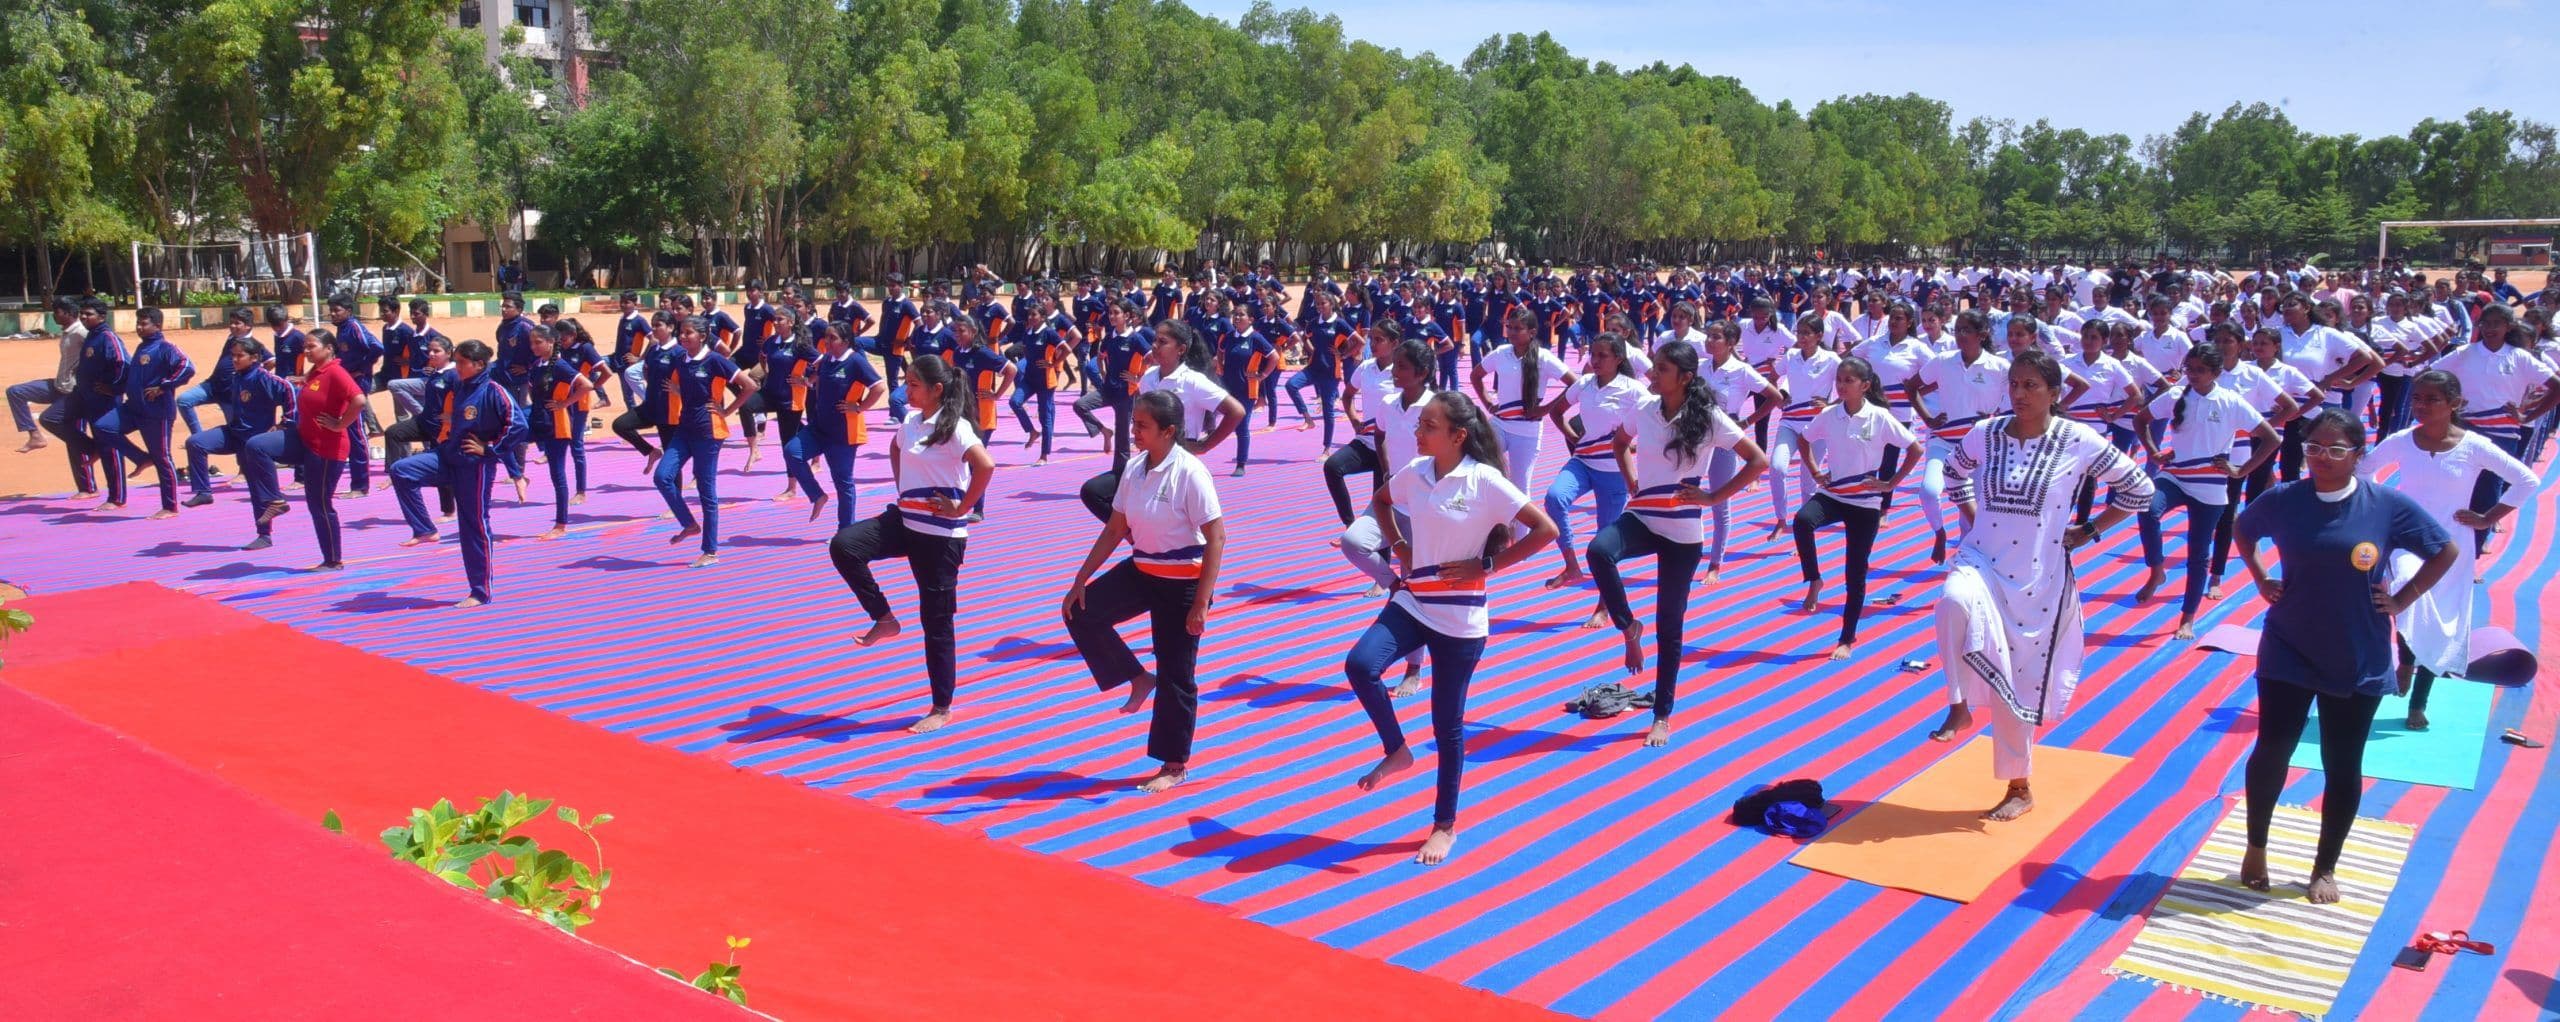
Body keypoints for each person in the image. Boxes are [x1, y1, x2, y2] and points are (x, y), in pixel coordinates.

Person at [2233, 408, 2457, 903]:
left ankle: (2324, 868)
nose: (2323, 458)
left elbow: (2445, 550)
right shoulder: (2283, 499)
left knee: (2341, 759)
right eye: (2314, 447)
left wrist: (2403, 598)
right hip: (2289, 644)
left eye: (2336, 449)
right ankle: (2255, 847)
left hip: (2358, 650)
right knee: (2272, 749)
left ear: (2358, 455)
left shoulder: (2385, 506)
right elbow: (2243, 530)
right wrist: (2261, 577)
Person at [1927, 348, 2154, 821]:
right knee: (1952, 602)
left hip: (2038, 580)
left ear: (2054, 392)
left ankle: (2019, 787)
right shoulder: (1986, 433)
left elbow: (2140, 489)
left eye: (2031, 385)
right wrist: (1973, 516)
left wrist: (2090, 530)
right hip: (1981, 559)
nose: (2019, 393)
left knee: (2019, 681)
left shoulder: (2078, 439)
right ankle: (1958, 703)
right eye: (2013, 384)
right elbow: (1953, 472)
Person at [1343, 391, 1558, 865]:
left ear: (1458, 436)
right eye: (1419, 423)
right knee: (1360, 665)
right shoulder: (1415, 472)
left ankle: (1444, 825)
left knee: (1447, 725)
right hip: (1415, 599)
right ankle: (1397, 750)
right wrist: (1399, 546)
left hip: (1460, 617)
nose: (1417, 432)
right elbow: (1381, 500)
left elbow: (1546, 530)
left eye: (1429, 426)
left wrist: (1488, 565)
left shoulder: (1485, 480)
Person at [1590, 342, 1767, 744]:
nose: (1652, 375)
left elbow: (1757, 460)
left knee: (1669, 624)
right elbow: (1619, 443)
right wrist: (1633, 482)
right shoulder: (1645, 408)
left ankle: (1662, 715)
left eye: (1662, 369)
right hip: (1643, 517)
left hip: (1683, 534)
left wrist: (1713, 497)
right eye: (1653, 367)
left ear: (1685, 378)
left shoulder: (1709, 417)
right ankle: (1628, 626)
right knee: (1599, 551)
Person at [1062, 389, 1228, 793]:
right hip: (1142, 569)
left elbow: (1217, 538)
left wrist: (1201, 603)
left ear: (1168, 431)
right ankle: (1137, 677)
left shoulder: (1190, 472)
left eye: (1142, 426)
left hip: (1183, 582)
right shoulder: (1135, 468)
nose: (1133, 431)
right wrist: (1080, 578)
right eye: (1134, 423)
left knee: (1176, 673)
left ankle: (1174, 764)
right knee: (1080, 611)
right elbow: (1115, 529)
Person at [828, 354, 998, 735]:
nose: (907, 391)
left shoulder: (955, 428)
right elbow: (895, 449)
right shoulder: (909, 422)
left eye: (914, 385)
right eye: (906, 383)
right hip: (905, 521)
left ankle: (941, 706)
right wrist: (905, 489)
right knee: (844, 546)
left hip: (940, 538)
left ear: (937, 390)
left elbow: (986, 466)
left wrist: (963, 508)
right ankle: (884, 618)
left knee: (936, 622)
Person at [2366, 371, 2542, 730]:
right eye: (2417, 398)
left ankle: (2418, 701)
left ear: (2454, 404)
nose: (2421, 406)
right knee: (2408, 593)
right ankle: (2406, 659)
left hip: (2453, 543)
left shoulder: (2474, 445)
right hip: (2407, 541)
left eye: (2432, 399)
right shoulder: (2402, 440)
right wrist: (2383, 511)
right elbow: (2364, 471)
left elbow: (2527, 479)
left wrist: (2487, 517)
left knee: (2443, 620)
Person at [2134, 344, 2279, 638]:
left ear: (2215, 372)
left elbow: (2272, 438)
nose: (2193, 374)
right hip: (2176, 475)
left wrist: (2242, 470)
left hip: (2210, 484)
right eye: (2190, 369)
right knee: (2147, 507)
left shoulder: (2231, 401)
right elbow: (2141, 419)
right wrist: (2153, 452)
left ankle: (2187, 618)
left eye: (2201, 370)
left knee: (2198, 553)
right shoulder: (2175, 395)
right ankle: (2157, 570)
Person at [1793, 355, 1914, 660]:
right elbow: (1804, 440)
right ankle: (1814, 579)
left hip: (1865, 503)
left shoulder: (1880, 417)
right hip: (1834, 495)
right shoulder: (1830, 414)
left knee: (1855, 573)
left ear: (1865, 386)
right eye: (1839, 380)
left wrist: (1890, 483)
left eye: (1849, 380)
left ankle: (1846, 638)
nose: (1842, 385)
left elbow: (1915, 448)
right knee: (1802, 520)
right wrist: (1815, 471)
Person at [388, 340, 521, 607]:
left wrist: (490, 449)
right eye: (456, 361)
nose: (457, 366)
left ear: (479, 364)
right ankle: (425, 529)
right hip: (448, 456)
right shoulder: (460, 384)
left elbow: (518, 426)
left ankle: (480, 592)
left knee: (473, 526)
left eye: (461, 362)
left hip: (474, 467)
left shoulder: (494, 391)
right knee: (401, 470)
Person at [1077, 319, 1243, 522]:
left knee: (1166, 520)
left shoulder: (1192, 381)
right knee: (1093, 492)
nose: (1155, 346)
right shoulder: (1148, 378)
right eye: (1154, 340)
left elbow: (1236, 411)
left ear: (1181, 349)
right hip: (1147, 461)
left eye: (1162, 342)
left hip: (1176, 464)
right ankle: (1136, 538)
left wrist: (1204, 445)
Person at [2431, 304, 2559, 555]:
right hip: (2463, 432)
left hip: (2502, 435)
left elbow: (2557, 387)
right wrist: (2449, 403)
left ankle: (2475, 548)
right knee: (2454, 487)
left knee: (2488, 491)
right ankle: (2445, 548)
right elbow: (2428, 376)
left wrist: (2526, 416)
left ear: (2508, 327)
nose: (2489, 328)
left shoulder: (2520, 357)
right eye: (2485, 323)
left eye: (2496, 323)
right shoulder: (2465, 353)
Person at [1541, 333, 1647, 619]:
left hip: (1613, 473)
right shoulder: (1585, 383)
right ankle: (1571, 565)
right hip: (1583, 462)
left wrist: (1633, 448)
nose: (1595, 360)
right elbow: (1557, 412)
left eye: (1603, 355)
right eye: (1593, 354)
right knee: (1554, 498)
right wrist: (1575, 439)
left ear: (1619, 359)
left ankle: (1603, 605)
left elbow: (1655, 421)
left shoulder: (1633, 390)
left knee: (1603, 545)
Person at [241, 327, 363, 571]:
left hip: (326, 448)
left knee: (319, 505)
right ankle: (275, 500)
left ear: (329, 349)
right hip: (303, 439)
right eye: (304, 347)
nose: (306, 351)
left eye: (311, 347)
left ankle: (333, 560)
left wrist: (341, 424)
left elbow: (359, 400)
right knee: (256, 445)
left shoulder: (336, 372)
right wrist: (303, 381)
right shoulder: (317, 370)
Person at [1910, 310, 2012, 563]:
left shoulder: (2000, 367)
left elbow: (2014, 401)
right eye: (1958, 330)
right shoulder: (1943, 360)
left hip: (1980, 445)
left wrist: (1995, 419)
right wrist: (1928, 418)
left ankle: (1967, 561)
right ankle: (1939, 533)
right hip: (1943, 440)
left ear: (1982, 334)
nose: (1960, 335)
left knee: (1973, 510)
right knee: (1929, 491)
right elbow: (1911, 387)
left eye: (1967, 330)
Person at [652, 315, 753, 567]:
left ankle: (710, 551)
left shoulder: (715, 360)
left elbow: (750, 385)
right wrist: (678, 391)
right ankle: (689, 524)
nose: (683, 336)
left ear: (703, 336)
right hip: (684, 430)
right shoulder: (680, 359)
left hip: (708, 433)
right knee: (662, 477)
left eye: (688, 333)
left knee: (706, 491)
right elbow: (684, 385)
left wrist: (727, 411)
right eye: (681, 332)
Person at [182, 338, 294, 545]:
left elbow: (289, 390)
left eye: (239, 356)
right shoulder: (237, 377)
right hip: (234, 433)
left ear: (254, 358)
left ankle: (264, 535)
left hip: (254, 443)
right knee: (195, 442)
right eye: (232, 356)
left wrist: (285, 423)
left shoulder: (264, 378)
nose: (234, 359)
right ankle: (204, 492)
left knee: (257, 490)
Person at [1472, 307, 1577, 521]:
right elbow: (1476, 376)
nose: (1511, 332)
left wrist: (1546, 408)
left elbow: (1575, 384)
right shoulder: (1501, 353)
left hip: (1527, 431)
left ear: (1532, 332)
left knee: (1520, 488)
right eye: (1509, 327)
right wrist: (1488, 404)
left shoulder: (1543, 357)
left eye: (1517, 328)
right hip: (1499, 424)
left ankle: (1522, 537)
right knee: (1479, 468)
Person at [784, 320, 885, 528]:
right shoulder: (826, 359)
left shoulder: (856, 361)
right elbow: (816, 379)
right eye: (826, 337)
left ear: (846, 341)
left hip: (843, 434)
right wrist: (807, 383)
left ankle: (845, 531)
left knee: (843, 483)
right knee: (792, 452)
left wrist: (859, 407)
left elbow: (879, 387)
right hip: (819, 427)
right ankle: (817, 495)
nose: (827, 341)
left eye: (833, 338)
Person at [97, 308, 196, 518]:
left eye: (144, 324)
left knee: (162, 457)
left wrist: (163, 386)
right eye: (138, 324)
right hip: (133, 408)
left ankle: (170, 507)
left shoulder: (165, 348)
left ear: (157, 326)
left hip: (156, 413)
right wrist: (113, 389)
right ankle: (141, 458)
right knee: (103, 427)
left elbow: (187, 367)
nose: (139, 327)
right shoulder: (142, 347)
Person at [1765, 316, 1843, 532]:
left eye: (1807, 333)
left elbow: (1849, 384)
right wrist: (1778, 397)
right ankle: (1781, 519)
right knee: (1777, 467)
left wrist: (1831, 404)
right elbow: (1771, 378)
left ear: (1819, 336)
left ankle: (1805, 525)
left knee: (1808, 480)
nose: (1801, 337)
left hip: (1817, 426)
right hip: (1790, 422)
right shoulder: (1791, 356)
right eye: (1799, 332)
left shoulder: (1831, 359)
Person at [525, 325, 595, 540]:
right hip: (539, 420)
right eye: (532, 343)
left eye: (538, 342)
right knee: (509, 439)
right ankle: (518, 476)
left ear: (551, 342)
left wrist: (565, 403)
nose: (534, 346)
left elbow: (587, 385)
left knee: (557, 474)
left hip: (557, 425)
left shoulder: (561, 366)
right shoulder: (537, 365)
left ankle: (560, 524)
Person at [56, 300, 127, 504]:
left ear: (102, 317)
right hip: (87, 399)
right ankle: (94, 482)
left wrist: (113, 388)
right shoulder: (91, 336)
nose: (84, 317)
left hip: (105, 403)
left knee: (110, 446)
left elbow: (123, 363)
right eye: (82, 314)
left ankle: (117, 498)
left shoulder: (107, 337)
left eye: (89, 314)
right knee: (55, 420)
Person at [8, 297, 83, 457]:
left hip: (72, 391)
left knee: (53, 422)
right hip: (59, 386)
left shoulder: (81, 332)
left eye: (57, 312)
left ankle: (88, 446)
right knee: (15, 392)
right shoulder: (67, 332)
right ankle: (35, 436)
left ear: (68, 313)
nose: (54, 315)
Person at [1213, 304, 1278, 477]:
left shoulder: (1256, 338)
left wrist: (1262, 375)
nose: (1237, 317)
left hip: (1246, 390)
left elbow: (1274, 357)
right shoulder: (1229, 336)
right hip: (1228, 388)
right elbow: (1220, 350)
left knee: (1241, 427)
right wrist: (1220, 366)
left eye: (1241, 315)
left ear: (1250, 319)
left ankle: (1241, 463)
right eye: (1235, 314)